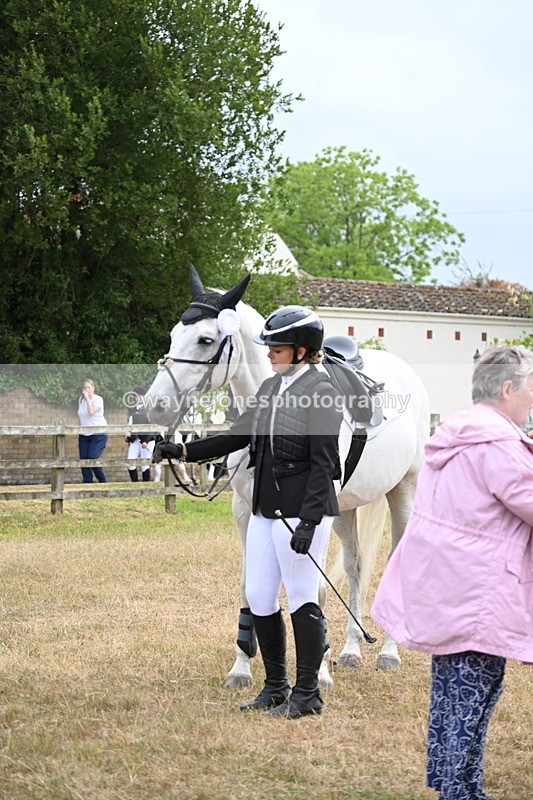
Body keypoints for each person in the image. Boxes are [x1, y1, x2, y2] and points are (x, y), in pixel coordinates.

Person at [154, 305, 343, 719]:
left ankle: (307, 693)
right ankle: (275, 685)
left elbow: (324, 465)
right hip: (266, 509)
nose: (270, 353)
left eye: (277, 347)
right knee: (258, 596)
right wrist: (184, 450)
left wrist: (310, 522)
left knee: (301, 598)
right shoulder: (272, 389)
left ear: (301, 350)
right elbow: (237, 435)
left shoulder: (323, 392)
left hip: (301, 512)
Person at [371, 345, 533, 800]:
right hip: (478, 592)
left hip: (450, 588)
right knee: (471, 697)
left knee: (452, 697)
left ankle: (455, 785)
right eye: (531, 388)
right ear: (507, 389)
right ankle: (459, 793)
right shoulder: (497, 446)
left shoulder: (459, 435)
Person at [77, 378, 108, 483]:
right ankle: (87, 483)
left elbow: (91, 412)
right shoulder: (81, 400)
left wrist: (87, 398)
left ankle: (102, 480)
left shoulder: (98, 399)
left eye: (89, 388)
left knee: (92, 457)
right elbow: (82, 416)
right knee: (84, 459)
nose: (87, 390)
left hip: (98, 432)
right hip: (84, 434)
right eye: (85, 388)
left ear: (93, 388)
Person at [125, 385, 157, 482]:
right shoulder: (132, 409)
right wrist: (128, 436)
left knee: (144, 464)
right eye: (136, 396)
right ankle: (135, 484)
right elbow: (130, 423)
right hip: (135, 440)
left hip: (148, 439)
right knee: (130, 461)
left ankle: (145, 484)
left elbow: (152, 426)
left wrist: (146, 441)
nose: (137, 398)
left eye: (140, 395)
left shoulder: (149, 408)